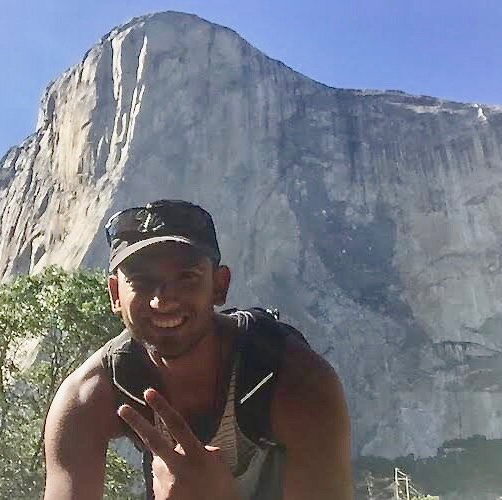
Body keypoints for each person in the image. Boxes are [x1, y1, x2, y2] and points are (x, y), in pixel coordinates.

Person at [43, 200, 353, 499]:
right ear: (115, 295)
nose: (161, 301)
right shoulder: (88, 397)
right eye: (141, 282)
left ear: (220, 285)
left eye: (186, 277)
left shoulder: (296, 382)